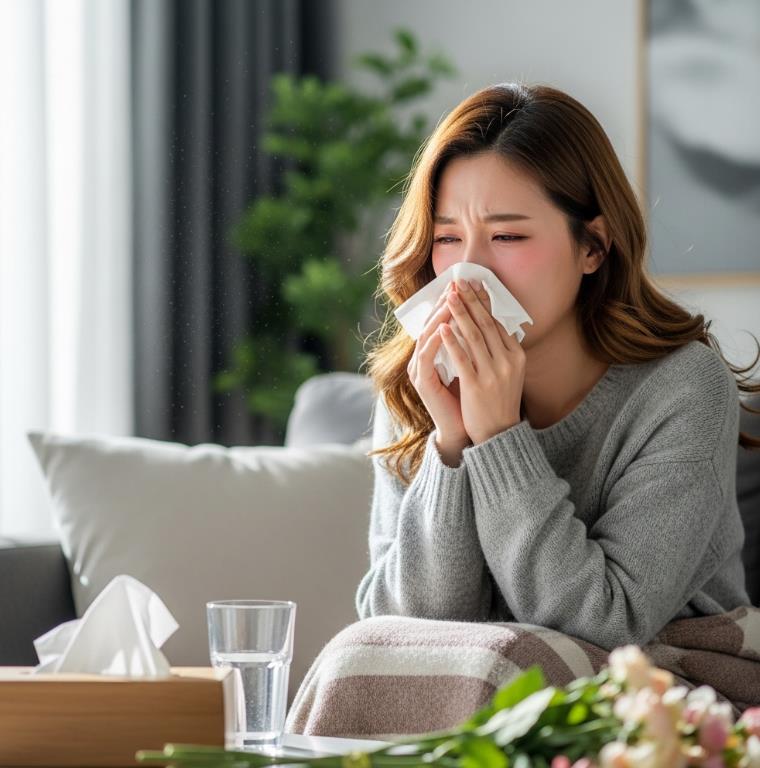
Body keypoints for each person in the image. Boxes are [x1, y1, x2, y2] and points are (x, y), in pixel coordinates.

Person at [354, 82, 760, 651]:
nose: (467, 272)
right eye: (447, 237)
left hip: (664, 686)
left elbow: (606, 623)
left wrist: (496, 438)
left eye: (507, 235)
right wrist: (449, 443)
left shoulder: (682, 389)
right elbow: (406, 634)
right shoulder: (417, 386)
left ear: (592, 247)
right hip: (471, 699)